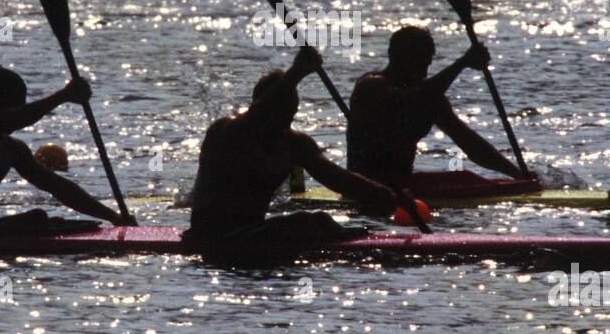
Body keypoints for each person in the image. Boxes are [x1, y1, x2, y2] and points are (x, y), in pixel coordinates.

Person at [186, 45, 398, 244]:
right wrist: (297, 71)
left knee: (320, 221)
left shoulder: (294, 143)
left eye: (289, 115)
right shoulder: (227, 132)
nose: (283, 123)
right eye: (278, 115)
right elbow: (260, 113)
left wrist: (386, 196)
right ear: (259, 108)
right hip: (209, 233)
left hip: (251, 231)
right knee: (305, 224)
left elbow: (340, 180)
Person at [0, 67, 133, 231]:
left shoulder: (11, 148)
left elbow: (58, 186)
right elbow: (14, 119)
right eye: (17, 106)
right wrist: (63, 96)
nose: (20, 113)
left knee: (55, 222)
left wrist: (113, 217)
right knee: (38, 218)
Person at [347, 26, 528, 184]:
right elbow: (415, 98)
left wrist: (516, 174)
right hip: (364, 184)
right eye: (418, 62)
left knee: (462, 178)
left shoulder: (432, 99)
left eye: (427, 62)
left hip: (404, 184)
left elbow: (469, 143)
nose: (425, 70)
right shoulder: (371, 87)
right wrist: (462, 63)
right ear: (396, 57)